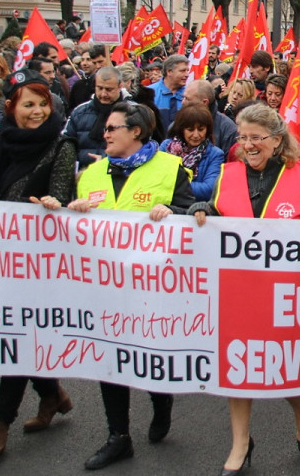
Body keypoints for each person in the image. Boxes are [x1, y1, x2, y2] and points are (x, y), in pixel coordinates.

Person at [189, 104, 300, 475]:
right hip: (237, 293)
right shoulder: (227, 174)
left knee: (281, 364)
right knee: (237, 364)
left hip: (285, 294)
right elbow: (212, 210)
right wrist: (199, 210)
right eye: (243, 137)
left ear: (276, 140)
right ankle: (241, 443)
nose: (248, 145)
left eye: (256, 138)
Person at [70, 102, 194, 469]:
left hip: (153, 287)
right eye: (105, 130)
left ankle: (161, 398)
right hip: (105, 286)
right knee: (110, 358)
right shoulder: (91, 174)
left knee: (149, 355)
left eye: (112, 128)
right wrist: (69, 210)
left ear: (135, 132)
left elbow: (195, 214)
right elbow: (75, 223)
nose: (104, 134)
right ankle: (118, 436)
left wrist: (175, 214)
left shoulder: (170, 168)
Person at [0, 70, 77, 468]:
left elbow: (63, 195)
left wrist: (50, 203)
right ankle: (51, 394)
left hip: (38, 262)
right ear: (12, 108)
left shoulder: (61, 146)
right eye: (28, 104)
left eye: (43, 104)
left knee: (17, 339)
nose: (36, 112)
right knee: (15, 337)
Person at [63, 66, 129, 168]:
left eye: (109, 89)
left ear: (120, 86)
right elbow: (66, 143)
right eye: (99, 88)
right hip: (83, 173)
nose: (103, 94)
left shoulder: (132, 112)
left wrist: (107, 160)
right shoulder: (79, 112)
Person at [160, 104, 224, 201]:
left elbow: (209, 189)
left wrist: (170, 185)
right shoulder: (166, 146)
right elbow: (156, 178)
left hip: (194, 209)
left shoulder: (215, 154)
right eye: (190, 130)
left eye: (201, 129)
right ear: (182, 129)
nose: (196, 135)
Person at [149, 54, 189, 131]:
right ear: (169, 72)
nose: (187, 75)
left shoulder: (190, 94)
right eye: (182, 71)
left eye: (187, 71)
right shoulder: (150, 93)